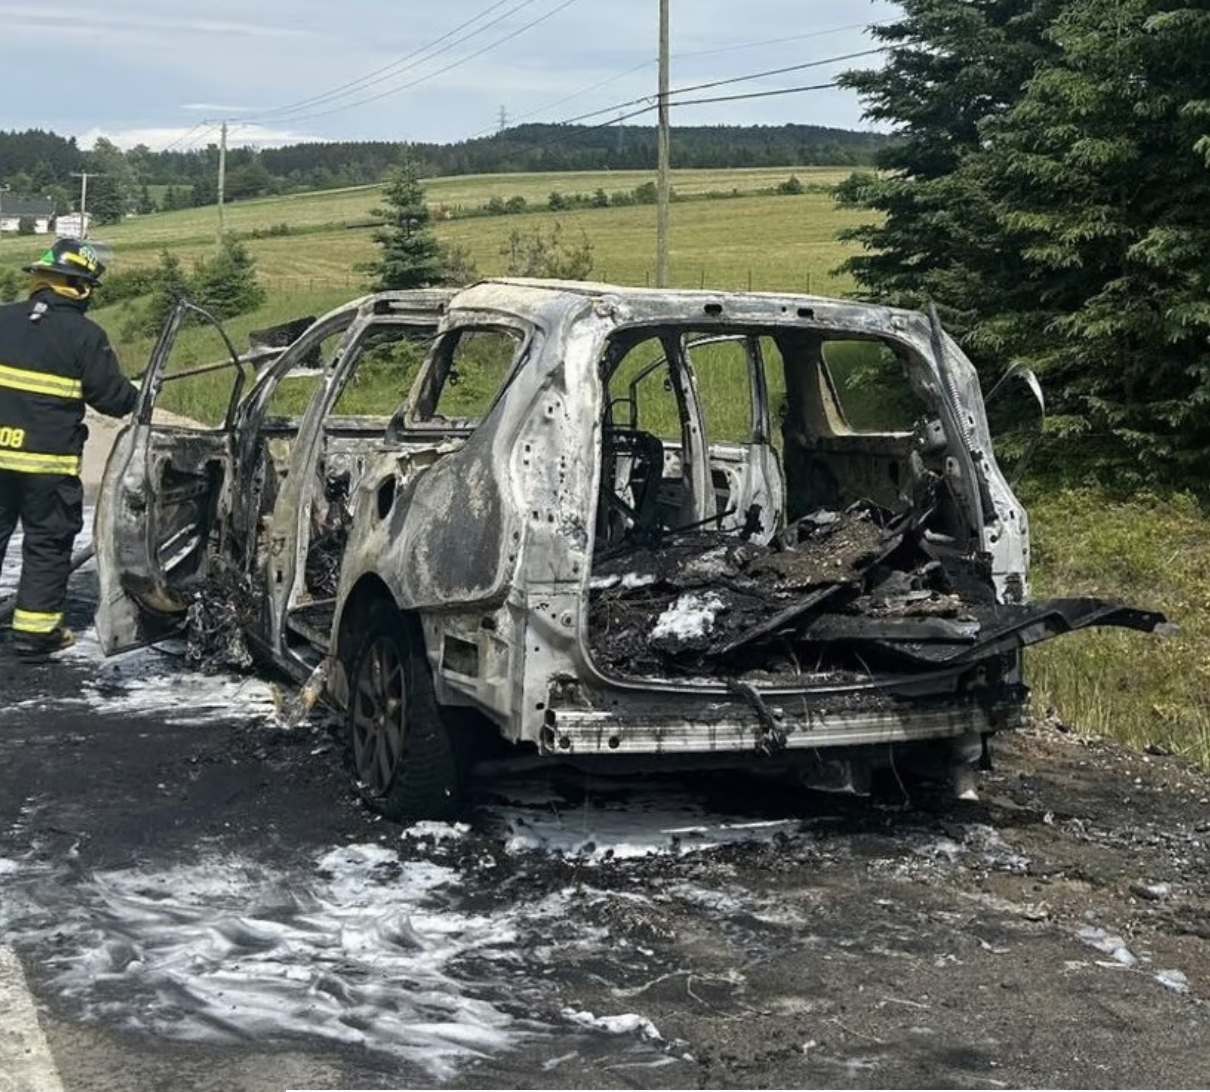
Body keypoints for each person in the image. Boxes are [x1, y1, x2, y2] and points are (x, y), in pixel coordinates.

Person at [0, 238, 138, 661]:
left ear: (40, 280)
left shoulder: (3, 319)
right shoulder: (85, 335)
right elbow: (112, 399)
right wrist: (139, 395)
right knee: (47, 541)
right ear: (79, 287)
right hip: (47, 466)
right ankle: (35, 634)